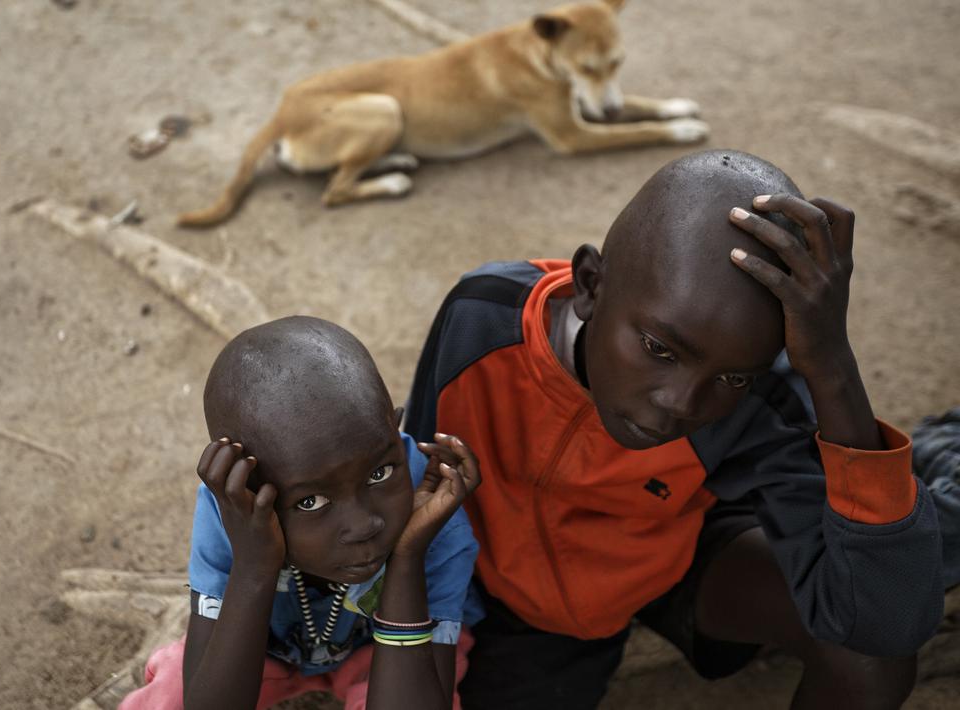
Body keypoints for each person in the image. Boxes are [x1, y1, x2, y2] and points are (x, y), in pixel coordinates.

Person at [403, 149, 947, 709]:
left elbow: (886, 624)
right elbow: (414, 474)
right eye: (659, 349)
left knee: (868, 659)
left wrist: (832, 364)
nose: (681, 403)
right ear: (591, 284)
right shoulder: (483, 318)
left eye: (733, 376)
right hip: (517, 603)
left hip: (681, 552)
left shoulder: (764, 399)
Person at [119, 316, 484, 710]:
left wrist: (407, 557)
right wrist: (254, 564)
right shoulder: (234, 514)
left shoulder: (431, 511)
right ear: (249, 488)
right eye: (310, 502)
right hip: (262, 648)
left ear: (393, 431)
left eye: (379, 473)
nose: (365, 525)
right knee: (174, 694)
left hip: (381, 654)